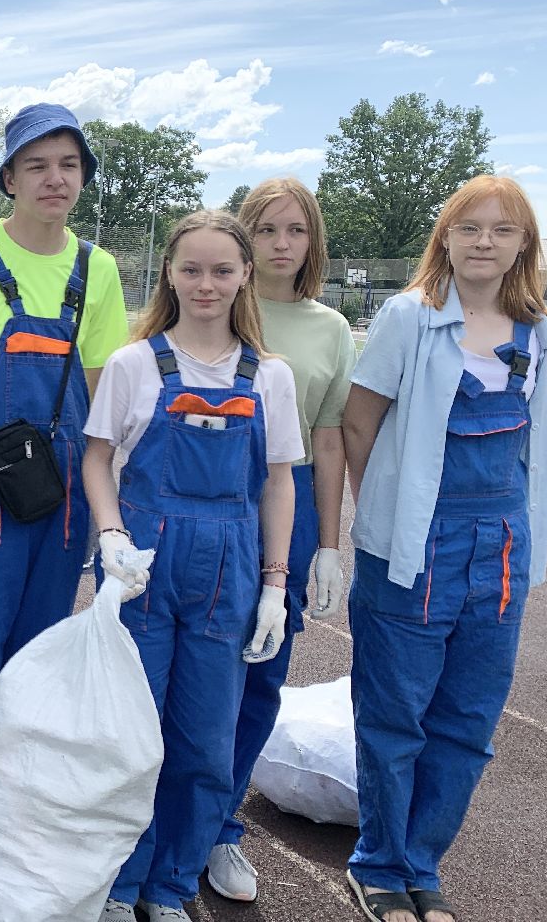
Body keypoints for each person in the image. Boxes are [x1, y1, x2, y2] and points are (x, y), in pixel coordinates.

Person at [342, 175, 547, 922]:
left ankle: (420, 865)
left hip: (498, 545)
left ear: (524, 244)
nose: (484, 242)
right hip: (411, 546)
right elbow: (360, 424)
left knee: (468, 720)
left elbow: (538, 452)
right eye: (469, 228)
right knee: (395, 715)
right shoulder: (409, 318)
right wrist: (390, 515)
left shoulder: (542, 334)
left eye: (502, 230)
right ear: (446, 237)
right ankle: (377, 866)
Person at [0, 102, 129, 867]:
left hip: (64, 502)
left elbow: (105, 402)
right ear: (8, 177)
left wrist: (112, 517)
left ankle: (12, 825)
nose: (54, 178)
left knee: (41, 669)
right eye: (36, 165)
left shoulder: (97, 270)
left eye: (69, 164)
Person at [83, 210, 303, 922]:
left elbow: (278, 482)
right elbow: (95, 458)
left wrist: (276, 585)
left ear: (244, 276)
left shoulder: (270, 377)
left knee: (206, 742)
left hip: (228, 576)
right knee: (129, 737)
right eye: (191, 269)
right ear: (169, 274)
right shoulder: (133, 363)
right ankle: (119, 885)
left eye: (221, 270)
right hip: (143, 569)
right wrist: (111, 534)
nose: (205, 284)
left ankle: (172, 886)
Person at [206, 178, 356, 902]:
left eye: (295, 230)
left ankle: (219, 830)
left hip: (285, 504)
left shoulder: (329, 329)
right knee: (185, 669)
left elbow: (327, 444)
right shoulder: (214, 300)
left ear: (313, 240)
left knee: (260, 675)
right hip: (205, 493)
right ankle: (152, 822)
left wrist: (329, 544)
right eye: (266, 230)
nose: (281, 244)